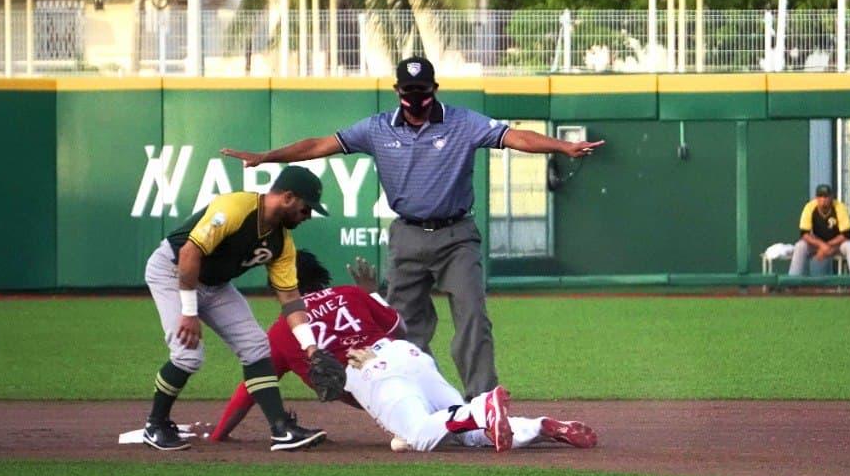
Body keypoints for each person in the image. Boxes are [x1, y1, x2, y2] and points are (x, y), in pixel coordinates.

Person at [221, 56, 604, 398]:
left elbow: (515, 136)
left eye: (421, 90)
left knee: (472, 316)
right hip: (407, 235)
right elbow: (321, 145)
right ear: (397, 90)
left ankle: (482, 402)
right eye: (408, 90)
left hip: (457, 236)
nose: (415, 96)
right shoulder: (376, 128)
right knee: (401, 326)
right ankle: (423, 400)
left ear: (434, 89)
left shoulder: (462, 122)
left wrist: (561, 146)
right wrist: (268, 157)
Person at [208, 253, 598, 453]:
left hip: (369, 373)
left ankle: (481, 409)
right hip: (407, 355)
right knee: (468, 435)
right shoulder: (350, 293)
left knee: (418, 437)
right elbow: (397, 325)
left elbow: (252, 388)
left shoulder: (281, 331)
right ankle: (541, 424)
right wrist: (372, 292)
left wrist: (219, 435)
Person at [140, 166, 330, 452]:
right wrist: (189, 312)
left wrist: (311, 347)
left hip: (215, 285)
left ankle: (281, 429)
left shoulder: (281, 242)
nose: (308, 216)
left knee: (256, 347)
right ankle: (155, 425)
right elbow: (190, 252)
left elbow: (290, 297)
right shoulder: (236, 207)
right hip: (172, 270)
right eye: (306, 208)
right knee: (188, 355)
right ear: (288, 197)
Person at [789, 184, 850, 275]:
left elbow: (846, 235)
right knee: (800, 246)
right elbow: (804, 234)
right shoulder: (810, 207)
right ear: (816, 198)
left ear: (831, 197)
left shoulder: (839, 207)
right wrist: (822, 245)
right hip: (816, 244)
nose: (823, 200)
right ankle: (792, 280)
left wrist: (827, 246)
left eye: (826, 196)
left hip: (837, 244)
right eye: (820, 196)